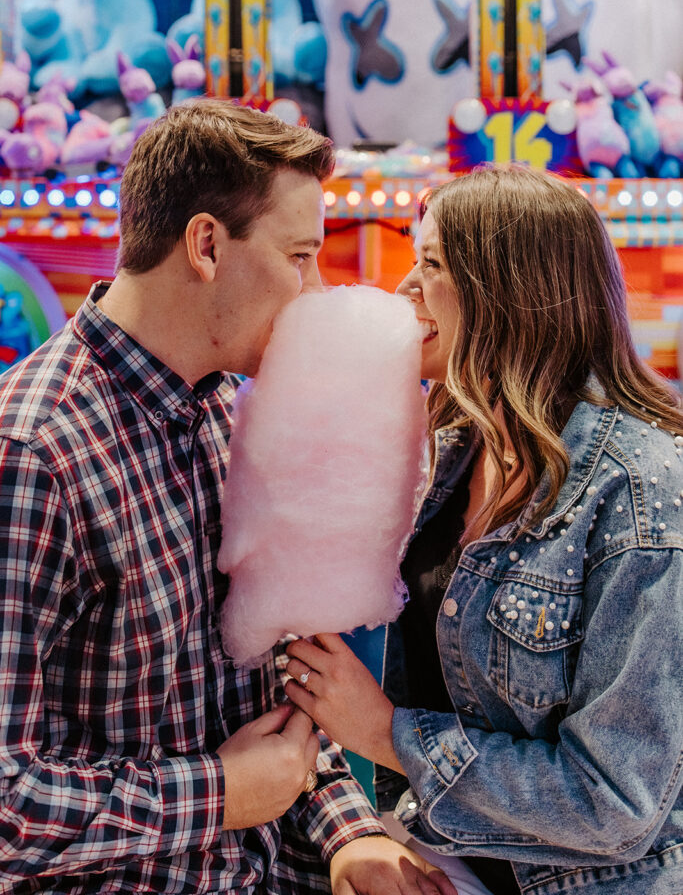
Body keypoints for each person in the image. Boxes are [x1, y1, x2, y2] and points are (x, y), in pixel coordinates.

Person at [0, 99, 458, 895]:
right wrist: (218, 795)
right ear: (207, 246)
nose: (316, 291)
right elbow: (9, 803)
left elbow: (257, 708)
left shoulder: (227, 409)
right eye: (300, 256)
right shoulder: (35, 453)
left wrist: (347, 834)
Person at [285, 163, 683, 895]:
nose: (405, 289)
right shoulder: (442, 450)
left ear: (509, 292)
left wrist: (386, 734)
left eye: (430, 265)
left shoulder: (643, 494)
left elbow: (617, 803)